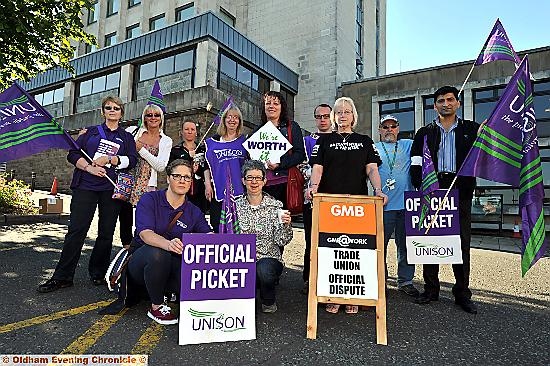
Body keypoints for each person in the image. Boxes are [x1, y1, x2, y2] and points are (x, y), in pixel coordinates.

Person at [38, 96, 138, 293]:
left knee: (106, 233)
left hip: (110, 188)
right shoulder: (90, 132)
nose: (112, 110)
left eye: (116, 108)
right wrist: (89, 168)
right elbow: (73, 154)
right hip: (85, 186)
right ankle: (63, 276)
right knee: (76, 230)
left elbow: (132, 160)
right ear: (103, 112)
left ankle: (98, 273)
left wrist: (112, 159)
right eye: (108, 107)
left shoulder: (126, 137)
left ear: (121, 113)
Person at [306, 96, 388, 314]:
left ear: (354, 116)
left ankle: (353, 296)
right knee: (331, 248)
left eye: (347, 111)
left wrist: (378, 191)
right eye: (339, 111)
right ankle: (332, 294)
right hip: (329, 204)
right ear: (334, 116)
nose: (343, 115)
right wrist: (313, 187)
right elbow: (318, 168)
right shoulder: (324, 141)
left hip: (357, 204)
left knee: (355, 249)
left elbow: (372, 169)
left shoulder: (364, 140)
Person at [410, 85, 479, 314]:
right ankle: (431, 290)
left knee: (461, 244)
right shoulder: (424, 132)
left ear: (458, 103)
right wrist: (421, 186)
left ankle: (462, 293)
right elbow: (416, 162)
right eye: (441, 100)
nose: (446, 103)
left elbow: (486, 153)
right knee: (431, 241)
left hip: (461, 191)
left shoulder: (472, 129)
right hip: (432, 190)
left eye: (450, 99)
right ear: (435, 105)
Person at [127, 159, 212, 325]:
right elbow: (145, 234)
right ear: (168, 178)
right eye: (177, 176)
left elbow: (208, 236)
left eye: (187, 177)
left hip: (173, 264)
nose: (182, 180)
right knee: (159, 253)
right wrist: (169, 244)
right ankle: (156, 306)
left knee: (189, 284)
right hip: (143, 262)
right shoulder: (149, 199)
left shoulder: (194, 211)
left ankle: (170, 292)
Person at [235, 160, 293, 313]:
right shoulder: (233, 206)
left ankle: (268, 300)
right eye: (249, 178)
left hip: (268, 258)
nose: (254, 182)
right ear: (243, 180)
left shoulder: (276, 206)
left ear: (265, 181)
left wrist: (286, 225)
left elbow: (282, 240)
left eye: (258, 178)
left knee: (263, 270)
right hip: (241, 258)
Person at [374, 114, 419, 297]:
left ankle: (406, 281)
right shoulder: (374, 148)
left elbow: (430, 144)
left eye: (393, 126)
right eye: (385, 127)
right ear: (380, 130)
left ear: (398, 129)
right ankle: (380, 281)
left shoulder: (408, 145)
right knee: (379, 246)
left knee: (405, 246)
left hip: (406, 205)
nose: (389, 130)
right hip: (382, 206)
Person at [118, 104, 172, 247]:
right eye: (149, 115)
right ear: (144, 117)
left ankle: (140, 249)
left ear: (161, 118)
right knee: (125, 218)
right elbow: (115, 141)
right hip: (127, 181)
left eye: (156, 115)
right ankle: (126, 249)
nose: (153, 117)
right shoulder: (132, 131)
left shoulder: (166, 140)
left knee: (143, 220)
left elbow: (160, 166)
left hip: (147, 185)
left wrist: (141, 150)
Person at [301, 103, 333, 294]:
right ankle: (308, 278)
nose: (322, 120)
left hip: (333, 198)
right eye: (319, 116)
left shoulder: (341, 138)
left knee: (331, 240)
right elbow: (301, 165)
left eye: (326, 116)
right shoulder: (307, 141)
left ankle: (329, 278)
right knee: (311, 240)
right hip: (312, 198)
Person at [204, 105, 247, 232]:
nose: (232, 120)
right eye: (229, 117)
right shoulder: (212, 142)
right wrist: (207, 184)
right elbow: (206, 164)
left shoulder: (245, 141)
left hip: (239, 192)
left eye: (236, 117)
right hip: (218, 190)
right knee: (217, 224)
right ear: (224, 120)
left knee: (238, 227)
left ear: (239, 121)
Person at [261, 91, 306, 206]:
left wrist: (279, 164)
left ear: (282, 108)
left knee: (284, 220)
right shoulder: (258, 130)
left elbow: (300, 154)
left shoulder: (292, 127)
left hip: (285, 183)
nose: (271, 106)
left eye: (276, 103)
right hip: (263, 185)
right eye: (268, 103)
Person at [169, 119, 208, 213]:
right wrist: (188, 158)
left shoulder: (203, 149)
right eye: (186, 129)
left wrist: (198, 171)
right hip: (182, 192)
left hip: (200, 193)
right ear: (181, 132)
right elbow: (170, 169)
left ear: (196, 132)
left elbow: (208, 169)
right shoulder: (176, 150)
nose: (190, 131)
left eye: (192, 129)